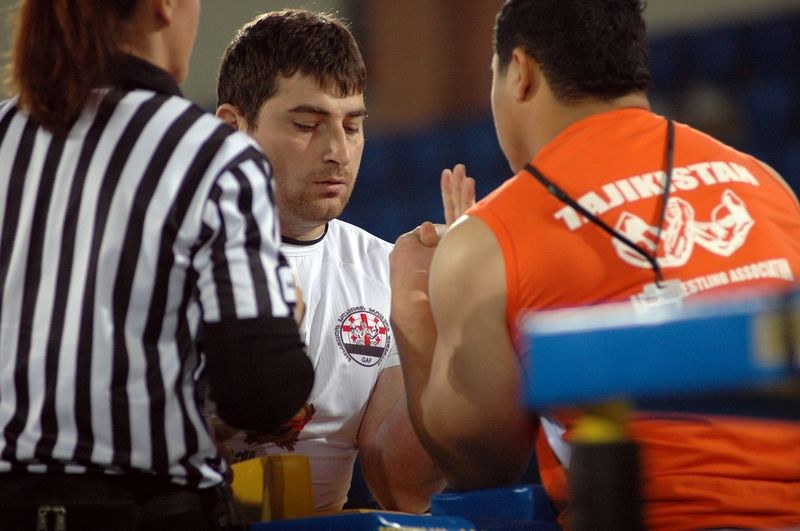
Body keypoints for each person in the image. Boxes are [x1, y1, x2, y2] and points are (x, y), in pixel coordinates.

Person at [389, 0, 800, 530]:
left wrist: (417, 309)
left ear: (520, 72)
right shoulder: (766, 183)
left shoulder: (489, 239)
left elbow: (482, 464)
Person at [0, 1, 313, 529]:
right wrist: (283, 314)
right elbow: (259, 394)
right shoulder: (212, 154)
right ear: (164, 5)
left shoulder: (5, 132)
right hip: (144, 503)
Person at [214, 9, 449, 514]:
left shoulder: (383, 269)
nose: (338, 152)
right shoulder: (168, 259)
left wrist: (430, 330)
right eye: (307, 124)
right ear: (233, 130)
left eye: (353, 126)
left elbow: (404, 490)